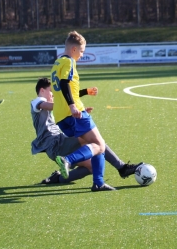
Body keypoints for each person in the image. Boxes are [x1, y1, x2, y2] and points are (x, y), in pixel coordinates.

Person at [31, 78, 142, 186]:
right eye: (51, 92)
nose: (53, 95)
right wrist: (76, 107)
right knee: (95, 140)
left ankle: (58, 178)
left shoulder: (50, 104)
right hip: (55, 143)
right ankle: (122, 167)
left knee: (92, 166)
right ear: (42, 90)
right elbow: (59, 104)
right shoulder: (38, 101)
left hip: (60, 142)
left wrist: (81, 100)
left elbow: (64, 101)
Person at [50, 31, 114, 192]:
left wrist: (85, 91)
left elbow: (65, 89)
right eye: (82, 51)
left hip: (60, 116)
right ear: (73, 49)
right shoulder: (70, 61)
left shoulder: (57, 62)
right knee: (100, 145)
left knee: (95, 144)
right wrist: (73, 106)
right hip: (74, 113)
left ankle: (98, 183)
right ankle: (68, 161)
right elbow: (64, 83)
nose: (82, 55)